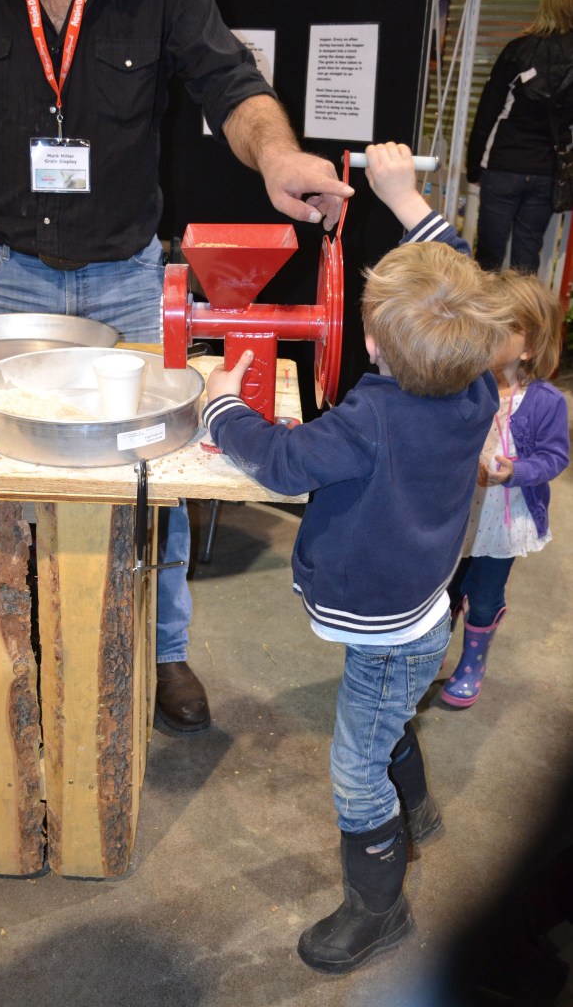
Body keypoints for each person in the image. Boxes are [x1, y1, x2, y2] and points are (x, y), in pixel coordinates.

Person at [0, 0, 351, 733]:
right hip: (1, 276)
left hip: (129, 283)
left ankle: (163, 647)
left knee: (152, 469)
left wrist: (277, 156)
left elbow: (231, 83)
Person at [200, 141, 512, 974]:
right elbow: (462, 278)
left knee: (353, 769)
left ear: (371, 347)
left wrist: (220, 403)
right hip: (420, 609)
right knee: (391, 709)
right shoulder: (474, 380)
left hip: (384, 630)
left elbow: (278, 461)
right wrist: (402, 196)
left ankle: (379, 912)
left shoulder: (363, 424)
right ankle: (420, 817)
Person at [441, 269, 570, 709]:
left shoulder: (545, 402)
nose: (488, 334)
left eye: (503, 327)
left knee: (485, 594)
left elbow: (556, 458)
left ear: (531, 345)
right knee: (444, 587)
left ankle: (472, 663)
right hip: (457, 513)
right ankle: (432, 653)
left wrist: (515, 471)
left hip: (503, 521)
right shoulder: (463, 384)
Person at [466, 0, 573, 272]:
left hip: (504, 164)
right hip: (545, 171)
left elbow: (487, 113)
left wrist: (474, 168)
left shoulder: (518, 50)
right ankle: (523, 318)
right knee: (526, 257)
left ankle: (482, 317)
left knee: (488, 258)